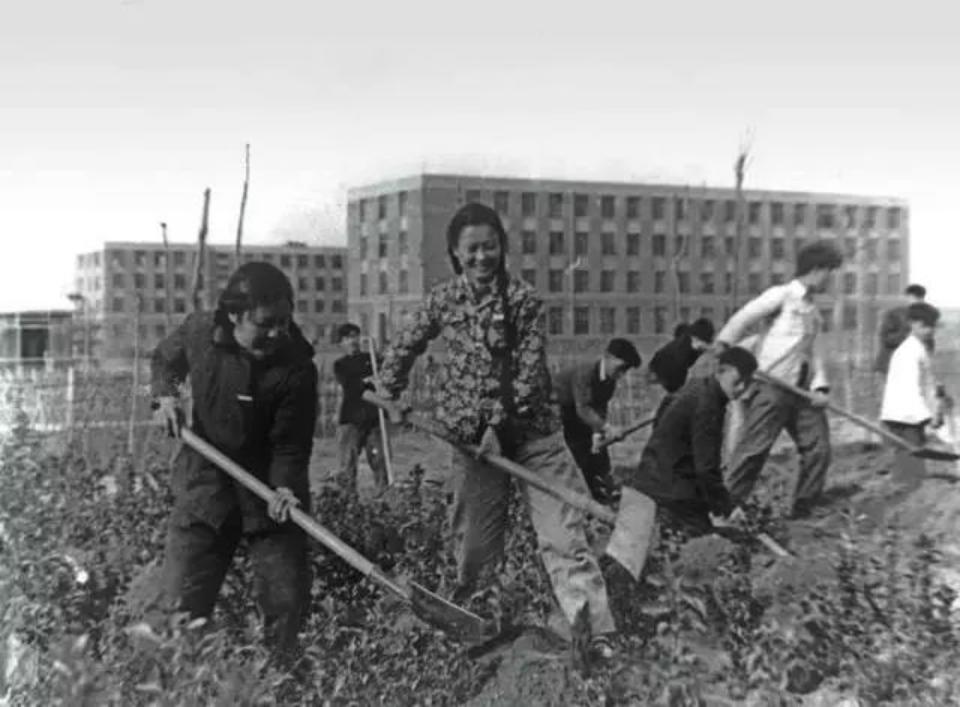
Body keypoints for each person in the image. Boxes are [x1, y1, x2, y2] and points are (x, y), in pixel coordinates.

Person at [377, 202, 618, 659]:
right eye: (471, 249)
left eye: (490, 246)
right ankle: (474, 634)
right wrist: (388, 390)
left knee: (563, 537)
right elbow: (407, 341)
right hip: (473, 445)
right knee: (474, 547)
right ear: (454, 252)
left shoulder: (524, 301)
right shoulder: (444, 300)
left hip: (534, 438)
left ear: (502, 248)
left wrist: (498, 425)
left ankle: (595, 636)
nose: (481, 257)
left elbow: (527, 375)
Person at [151, 262, 317, 662]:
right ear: (234, 316)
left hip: (270, 494)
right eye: (265, 324)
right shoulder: (200, 332)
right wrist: (165, 396)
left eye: (284, 322)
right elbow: (165, 361)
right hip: (206, 486)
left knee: (285, 607)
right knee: (178, 610)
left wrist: (284, 487)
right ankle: (179, 685)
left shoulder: (297, 368)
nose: (277, 333)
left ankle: (279, 683)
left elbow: (291, 444)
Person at [711, 240, 843, 519]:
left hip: (801, 392)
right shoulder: (782, 295)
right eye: (830, 272)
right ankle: (724, 509)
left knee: (818, 448)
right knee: (753, 451)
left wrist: (820, 387)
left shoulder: (813, 312)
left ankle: (805, 509)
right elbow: (744, 317)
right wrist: (724, 343)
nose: (831, 279)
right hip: (771, 386)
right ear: (817, 270)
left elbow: (815, 354)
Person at [626, 347, 758, 541]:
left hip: (647, 481)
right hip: (669, 495)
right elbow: (706, 468)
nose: (741, 389)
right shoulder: (709, 405)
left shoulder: (696, 386)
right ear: (720, 371)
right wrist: (728, 507)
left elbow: (660, 418)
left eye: (747, 383)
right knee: (716, 543)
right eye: (737, 382)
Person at [553, 338, 642, 504]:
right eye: (621, 368)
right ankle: (580, 497)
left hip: (580, 415)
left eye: (626, 370)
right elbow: (583, 408)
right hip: (559, 412)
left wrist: (598, 434)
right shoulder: (585, 372)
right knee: (577, 455)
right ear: (607, 357)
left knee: (599, 454)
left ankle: (602, 494)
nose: (622, 375)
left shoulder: (610, 381)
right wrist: (608, 428)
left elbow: (600, 407)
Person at [880, 302, 945, 493]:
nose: (930, 331)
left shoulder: (918, 348)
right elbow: (910, 388)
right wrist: (928, 416)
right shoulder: (909, 351)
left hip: (908, 413)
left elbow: (926, 383)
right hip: (904, 414)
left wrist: (934, 407)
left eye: (932, 326)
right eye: (925, 326)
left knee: (910, 453)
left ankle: (907, 487)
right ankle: (906, 490)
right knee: (909, 453)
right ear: (913, 324)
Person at [332, 322, 387, 496]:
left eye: (355, 336)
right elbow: (352, 386)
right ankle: (347, 500)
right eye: (348, 338)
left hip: (373, 416)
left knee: (380, 459)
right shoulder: (340, 364)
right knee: (347, 463)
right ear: (341, 342)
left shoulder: (371, 359)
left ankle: (383, 496)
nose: (353, 340)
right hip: (351, 419)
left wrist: (379, 370)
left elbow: (384, 376)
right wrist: (367, 380)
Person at [648, 317, 715, 425]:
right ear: (695, 338)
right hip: (665, 373)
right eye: (703, 343)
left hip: (665, 370)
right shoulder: (681, 352)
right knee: (674, 401)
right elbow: (678, 375)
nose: (703, 347)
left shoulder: (690, 344)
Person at [875, 284, 928, 376]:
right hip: (891, 366)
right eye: (914, 298)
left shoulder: (925, 317)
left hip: (911, 368)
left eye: (920, 298)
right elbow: (885, 339)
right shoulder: (895, 314)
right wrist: (907, 334)